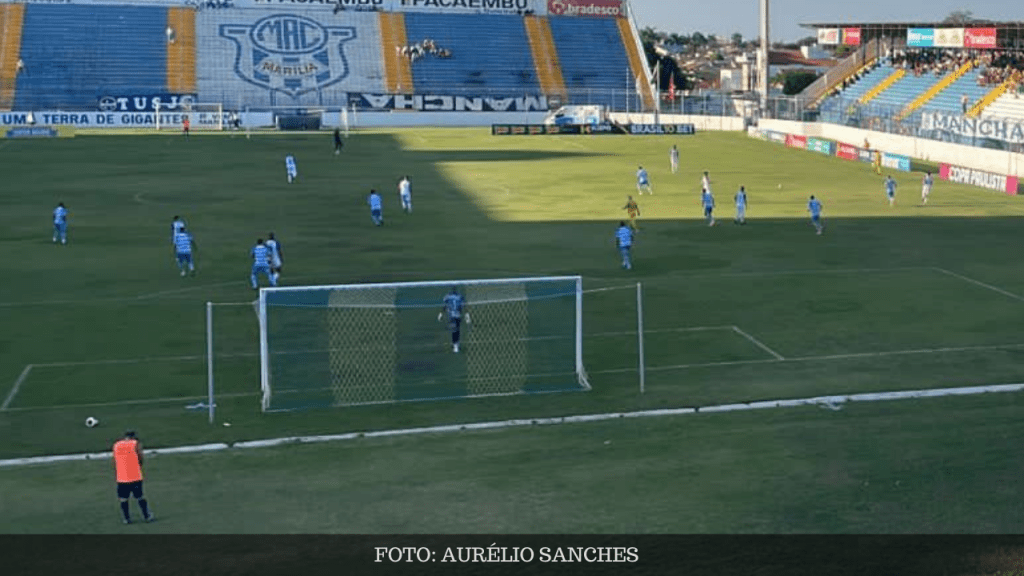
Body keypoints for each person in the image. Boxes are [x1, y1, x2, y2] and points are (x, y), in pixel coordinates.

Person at [113, 430, 153, 524]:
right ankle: (146, 516)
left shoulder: (117, 445)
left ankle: (126, 518)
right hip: (135, 476)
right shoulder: (135, 444)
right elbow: (140, 456)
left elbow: (115, 459)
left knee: (123, 499)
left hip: (122, 477)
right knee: (140, 497)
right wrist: (139, 464)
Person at [438, 286, 470, 353]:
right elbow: (464, 306)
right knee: (457, 330)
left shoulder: (448, 296)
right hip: (457, 315)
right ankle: (456, 344)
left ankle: (455, 344)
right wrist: (467, 316)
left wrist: (441, 314)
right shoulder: (460, 296)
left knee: (454, 330)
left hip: (451, 315)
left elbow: (445, 306)